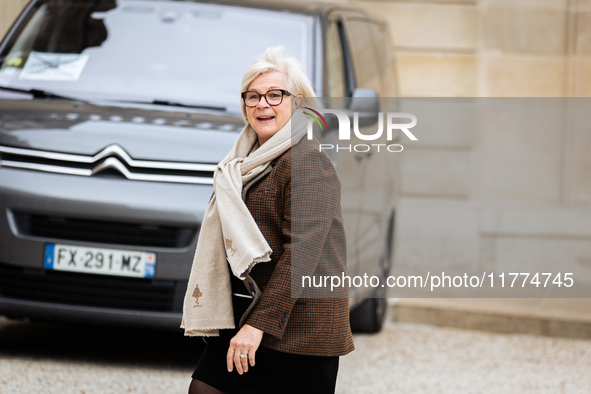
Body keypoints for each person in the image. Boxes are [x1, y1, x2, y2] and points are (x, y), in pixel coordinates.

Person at [183, 46, 354, 394]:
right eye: (253, 96)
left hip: (300, 329)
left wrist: (257, 326)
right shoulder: (245, 160)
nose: (263, 104)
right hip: (251, 312)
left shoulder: (307, 161)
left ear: (299, 102)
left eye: (275, 94)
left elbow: (301, 255)